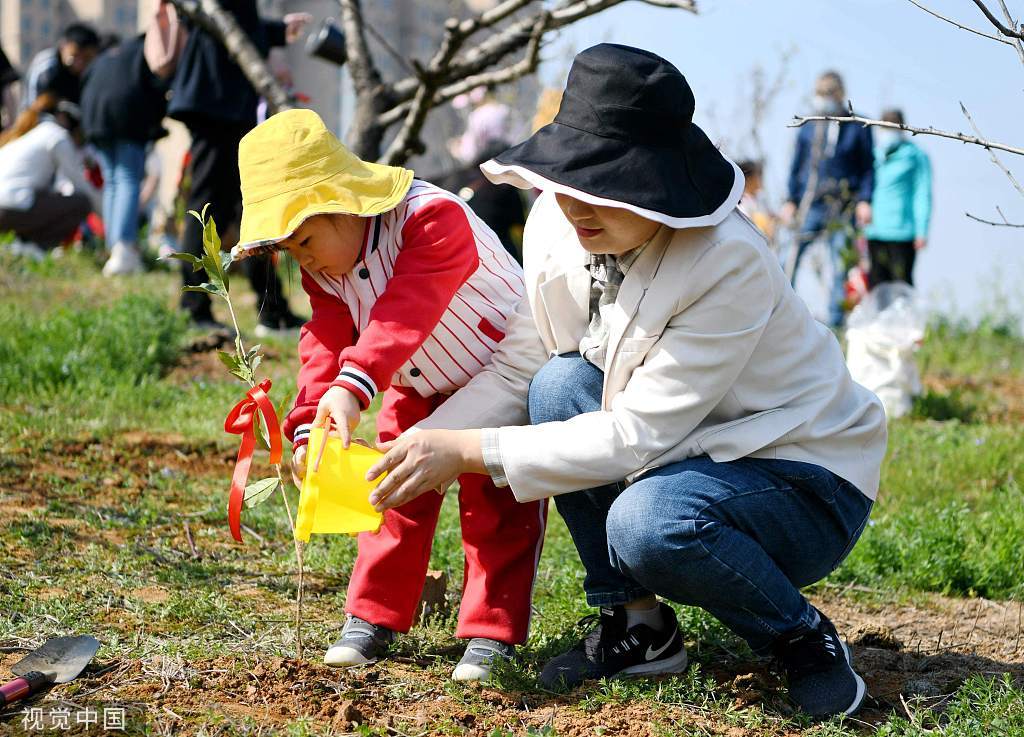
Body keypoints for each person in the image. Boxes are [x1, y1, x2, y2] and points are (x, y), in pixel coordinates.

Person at [353, 45, 888, 719]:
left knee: (650, 524)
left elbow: (638, 434)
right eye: (569, 178)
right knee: (556, 386)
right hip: (683, 452)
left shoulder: (728, 263)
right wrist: (431, 439)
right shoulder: (557, 223)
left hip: (800, 476)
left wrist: (469, 452)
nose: (576, 204)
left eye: (602, 186)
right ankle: (637, 626)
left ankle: (800, 637)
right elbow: (530, 363)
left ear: (658, 186)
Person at [231, 109, 546, 682]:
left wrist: (354, 387)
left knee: (497, 500)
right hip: (414, 380)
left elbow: (407, 312)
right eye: (288, 248)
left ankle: (490, 629)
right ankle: (373, 613)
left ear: (346, 201)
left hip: (501, 366)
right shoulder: (324, 265)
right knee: (390, 488)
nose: (303, 258)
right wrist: (311, 422)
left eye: (305, 237)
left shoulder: (433, 219)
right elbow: (324, 338)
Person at [168, 1, 311, 332]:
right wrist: (272, 32)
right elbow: (223, 24)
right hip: (218, 103)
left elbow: (238, 25)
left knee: (245, 209)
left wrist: (274, 30)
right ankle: (194, 308)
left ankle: (271, 310)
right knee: (207, 206)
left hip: (224, 102)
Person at [780, 71, 874, 327]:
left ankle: (835, 326)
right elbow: (796, 165)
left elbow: (867, 167)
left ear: (840, 95)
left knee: (839, 266)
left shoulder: (858, 126)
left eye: (829, 95)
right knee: (788, 257)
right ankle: (779, 316)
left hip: (844, 206)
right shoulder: (809, 126)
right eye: (820, 95)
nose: (824, 101)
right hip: (812, 204)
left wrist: (865, 200)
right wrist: (791, 199)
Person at [80, 33, 169, 276]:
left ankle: (113, 248)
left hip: (95, 120)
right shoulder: (143, 51)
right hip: (126, 118)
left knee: (113, 182)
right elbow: (158, 86)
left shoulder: (106, 57)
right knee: (128, 179)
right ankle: (124, 248)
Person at [0, 97, 100, 255]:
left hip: (8, 207)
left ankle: (20, 244)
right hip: (11, 209)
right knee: (81, 203)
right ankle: (34, 247)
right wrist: (109, 219)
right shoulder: (57, 136)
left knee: (49, 197)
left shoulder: (25, 137)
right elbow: (81, 185)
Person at [865, 109, 932, 288]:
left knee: (902, 283)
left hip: (902, 232)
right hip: (875, 230)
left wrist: (922, 230)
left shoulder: (916, 156)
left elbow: (922, 194)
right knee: (876, 284)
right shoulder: (874, 154)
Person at [21, 23, 100, 109]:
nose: (80, 63)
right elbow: (32, 107)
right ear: (63, 47)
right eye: (75, 56)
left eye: (86, 58)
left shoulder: (96, 69)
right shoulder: (47, 66)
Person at [737, 158, 776, 243]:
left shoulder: (759, 200)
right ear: (749, 179)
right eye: (758, 175)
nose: (761, 180)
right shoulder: (742, 202)